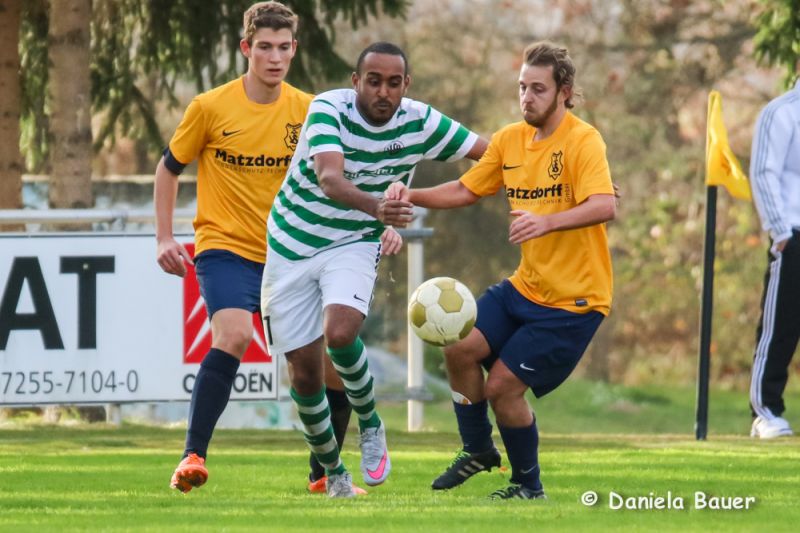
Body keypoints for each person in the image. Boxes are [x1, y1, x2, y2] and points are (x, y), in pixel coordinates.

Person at [154, 1, 383, 494]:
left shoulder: (312, 110)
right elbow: (168, 169)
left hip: (296, 252)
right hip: (227, 247)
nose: (274, 58)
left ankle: (324, 476)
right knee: (233, 335)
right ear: (246, 48)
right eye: (264, 47)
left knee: (325, 365)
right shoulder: (210, 107)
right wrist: (165, 237)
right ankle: (192, 456)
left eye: (283, 48)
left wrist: (382, 219)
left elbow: (351, 176)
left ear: (294, 49)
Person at [387, 41, 616, 499]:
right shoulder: (509, 140)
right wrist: (411, 195)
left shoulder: (583, 140)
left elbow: (605, 204)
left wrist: (547, 221)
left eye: (538, 89)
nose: (527, 97)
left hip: (574, 302)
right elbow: (466, 189)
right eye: (522, 87)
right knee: (458, 347)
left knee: (502, 388)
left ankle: (528, 486)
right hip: (525, 287)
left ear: (564, 92)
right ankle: (477, 449)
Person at [260, 41, 488, 498]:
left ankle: (370, 423)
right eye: (374, 81)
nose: (384, 91)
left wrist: (579, 180)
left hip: (354, 240)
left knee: (340, 333)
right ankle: (334, 474)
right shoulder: (328, 109)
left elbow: (496, 154)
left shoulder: (421, 121)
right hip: (291, 245)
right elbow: (330, 179)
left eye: (394, 83)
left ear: (406, 85)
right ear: (356, 82)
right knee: (304, 376)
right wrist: (379, 208)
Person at [748, 72, 800, 439]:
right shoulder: (781, 112)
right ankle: (765, 411)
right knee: (781, 328)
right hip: (793, 235)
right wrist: (780, 233)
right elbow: (763, 172)